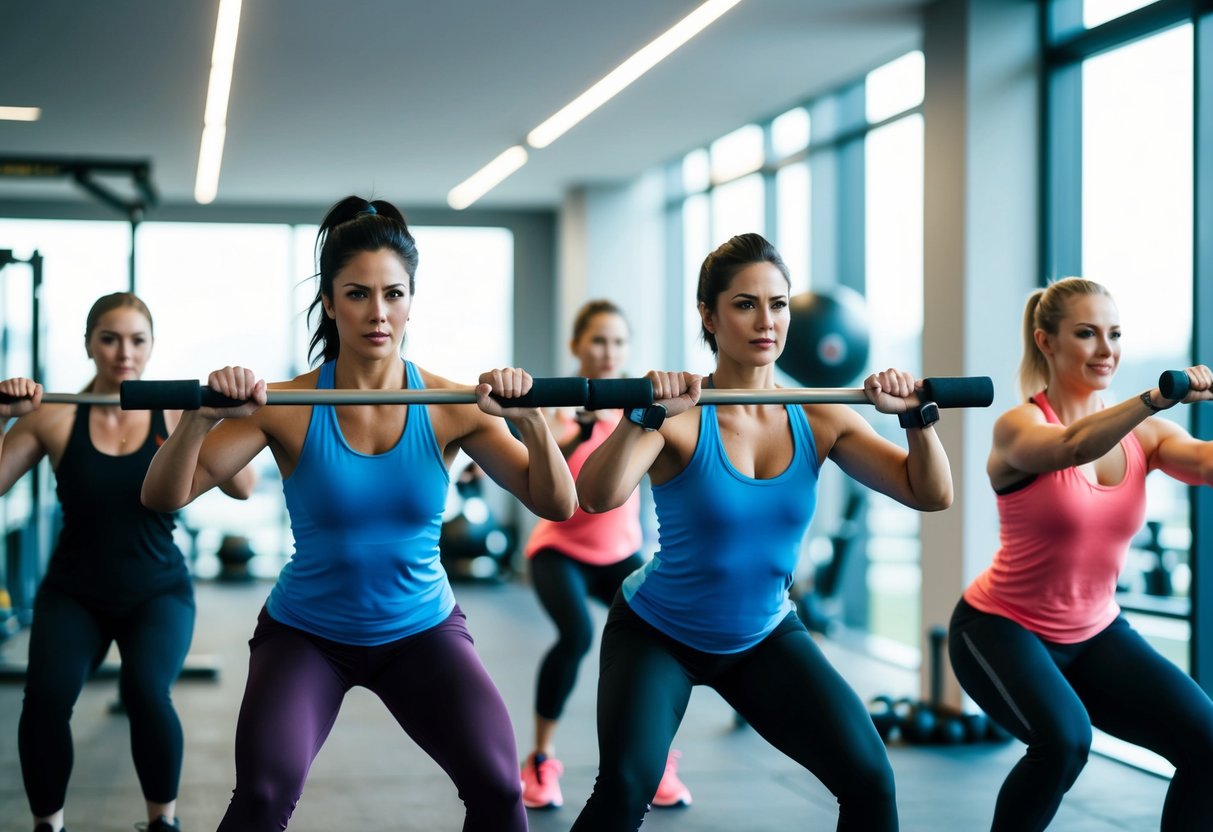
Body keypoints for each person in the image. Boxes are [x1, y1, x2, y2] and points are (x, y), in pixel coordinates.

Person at [140, 196, 576, 832]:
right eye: (358, 294)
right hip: (308, 635)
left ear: (412, 299)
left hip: (421, 630)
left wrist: (534, 423)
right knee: (261, 797)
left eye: (394, 294)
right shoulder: (285, 404)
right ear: (329, 300)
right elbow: (162, 496)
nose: (378, 313)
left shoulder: (451, 403)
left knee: (499, 791)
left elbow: (555, 501)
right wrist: (201, 419)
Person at [569, 233, 954, 831]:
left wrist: (916, 423)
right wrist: (639, 417)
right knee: (624, 788)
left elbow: (929, 493)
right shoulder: (681, 414)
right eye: (745, 304)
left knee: (871, 781)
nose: (766, 320)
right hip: (659, 633)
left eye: (778, 304)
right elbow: (595, 496)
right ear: (709, 315)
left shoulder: (820, 413)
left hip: (764, 635)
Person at [948, 277, 1213, 832]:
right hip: (999, 628)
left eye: (1114, 334)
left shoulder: (1148, 437)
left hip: (1095, 631)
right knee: (1063, 742)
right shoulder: (1019, 425)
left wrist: (1154, 409)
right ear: (1046, 342)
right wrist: (1153, 399)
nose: (1106, 349)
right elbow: (1072, 447)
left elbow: (1207, 464)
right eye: (1087, 334)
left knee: (1206, 743)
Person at [0, 292, 257, 832]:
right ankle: (48, 825)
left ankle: (162, 822)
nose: (124, 352)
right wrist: (1, 418)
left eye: (137, 340)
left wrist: (207, 418)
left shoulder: (171, 410)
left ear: (151, 346)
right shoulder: (54, 416)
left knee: (145, 690)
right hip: (74, 592)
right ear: (89, 343)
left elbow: (244, 487)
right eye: (110, 338)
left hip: (156, 592)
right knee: (45, 701)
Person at [519, 299, 691, 810]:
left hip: (619, 553)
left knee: (657, 644)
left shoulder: (638, 405)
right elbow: (559, 486)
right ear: (577, 346)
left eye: (618, 341)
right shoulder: (554, 405)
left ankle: (650, 759)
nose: (609, 351)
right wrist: (585, 426)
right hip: (559, 551)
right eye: (598, 340)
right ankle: (542, 760)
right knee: (575, 637)